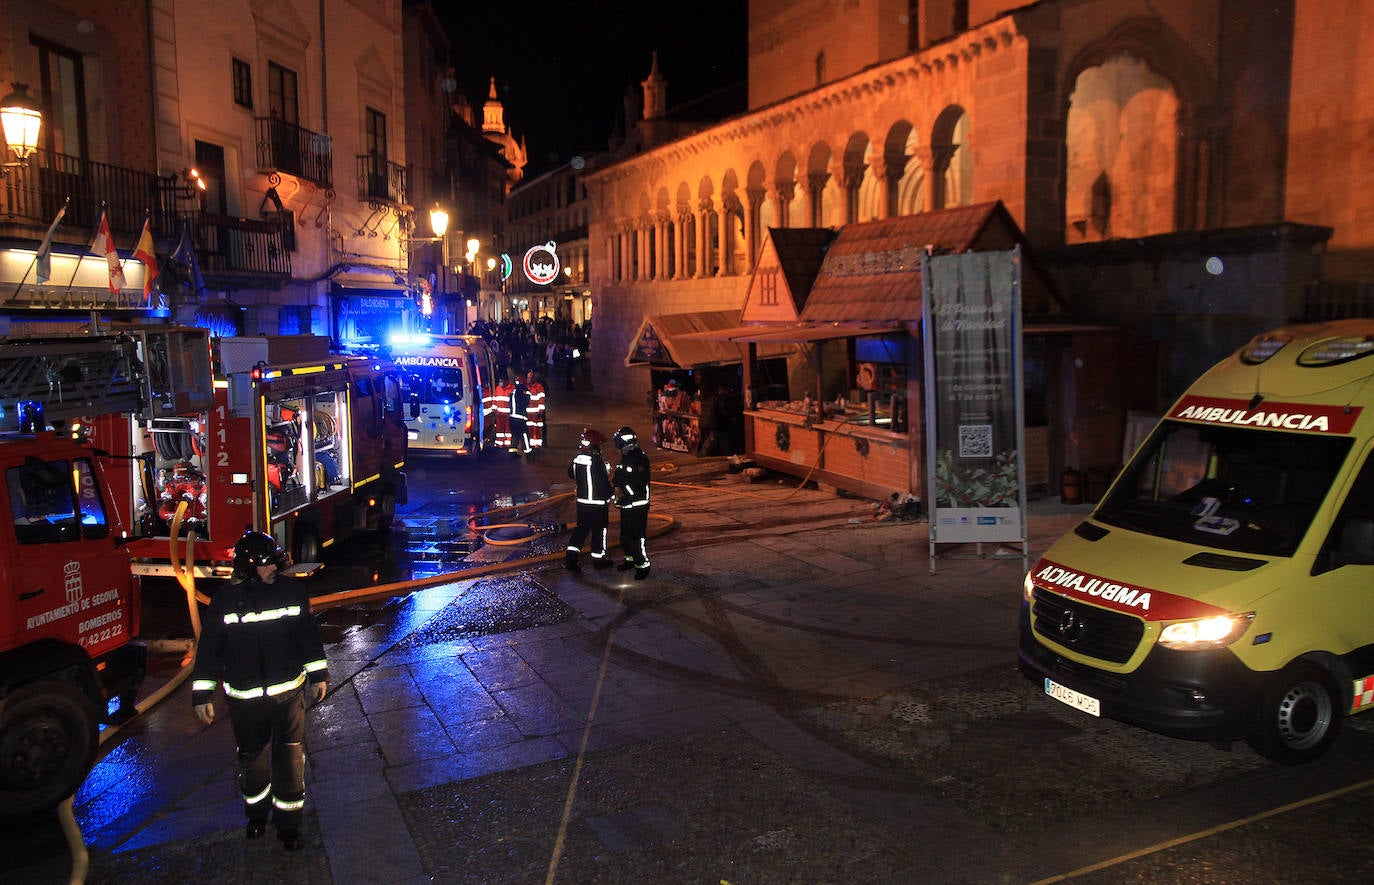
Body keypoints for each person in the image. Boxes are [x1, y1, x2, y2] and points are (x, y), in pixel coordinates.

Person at [191, 531, 328, 851]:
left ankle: (289, 825)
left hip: (288, 695)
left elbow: (307, 637)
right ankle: (256, 815)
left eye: (273, 564)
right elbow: (209, 649)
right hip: (245, 698)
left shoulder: (292, 592)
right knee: (251, 757)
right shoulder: (225, 600)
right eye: (266, 565)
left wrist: (318, 674)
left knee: (290, 756)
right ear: (248, 567)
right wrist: (202, 694)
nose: (272, 570)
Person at [565, 428, 614, 572]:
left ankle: (571, 561)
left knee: (580, 532)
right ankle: (599, 561)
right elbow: (603, 483)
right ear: (594, 446)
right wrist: (613, 493)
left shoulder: (577, 460)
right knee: (599, 532)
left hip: (582, 505)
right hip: (598, 505)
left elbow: (571, 474)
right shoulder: (598, 462)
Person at [612, 425, 652, 579]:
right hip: (627, 504)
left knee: (637, 537)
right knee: (626, 535)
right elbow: (620, 477)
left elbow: (638, 483)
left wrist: (623, 490)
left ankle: (643, 566)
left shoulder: (639, 459)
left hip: (637, 505)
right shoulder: (627, 456)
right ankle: (630, 559)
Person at [508, 374, 532, 455]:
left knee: (515, 435)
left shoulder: (512, 393)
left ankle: (513, 451)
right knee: (524, 435)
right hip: (520, 419)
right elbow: (526, 402)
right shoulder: (521, 394)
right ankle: (528, 451)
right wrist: (528, 391)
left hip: (512, 419)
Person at [525, 371, 547, 451]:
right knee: (530, 429)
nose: (528, 379)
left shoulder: (539, 387)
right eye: (528, 378)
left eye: (530, 378)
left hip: (536, 414)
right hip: (528, 414)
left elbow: (541, 400)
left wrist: (540, 412)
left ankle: (537, 445)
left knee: (537, 430)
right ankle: (531, 445)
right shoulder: (526, 387)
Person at [492, 373, 513, 451]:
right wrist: (494, 410)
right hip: (499, 414)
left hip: (508, 415)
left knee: (508, 430)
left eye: (502, 381)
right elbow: (495, 400)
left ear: (506, 381)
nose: (501, 382)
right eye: (500, 381)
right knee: (499, 430)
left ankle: (508, 443)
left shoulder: (511, 389)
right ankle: (499, 443)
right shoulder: (498, 388)